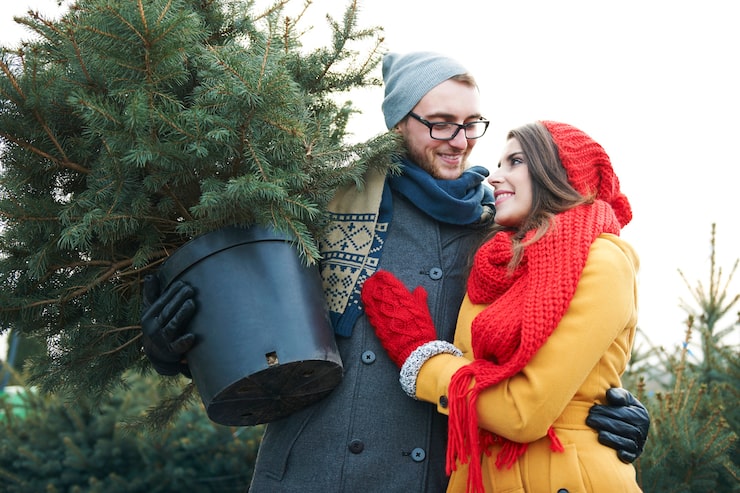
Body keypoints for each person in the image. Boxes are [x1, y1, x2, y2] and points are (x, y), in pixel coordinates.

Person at [141, 53, 649, 492]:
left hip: (433, 478)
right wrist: (172, 349)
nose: (460, 141)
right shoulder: (325, 206)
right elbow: (250, 325)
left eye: (471, 124)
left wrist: (612, 408)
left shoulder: (500, 235)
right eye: (440, 123)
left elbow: (556, 341)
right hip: (313, 470)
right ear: (398, 124)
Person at [361, 120, 643, 492]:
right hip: (480, 476)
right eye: (498, 163)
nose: (494, 177)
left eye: (515, 161)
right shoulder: (494, 264)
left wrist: (422, 359)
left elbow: (524, 412)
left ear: (560, 173)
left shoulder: (601, 260)